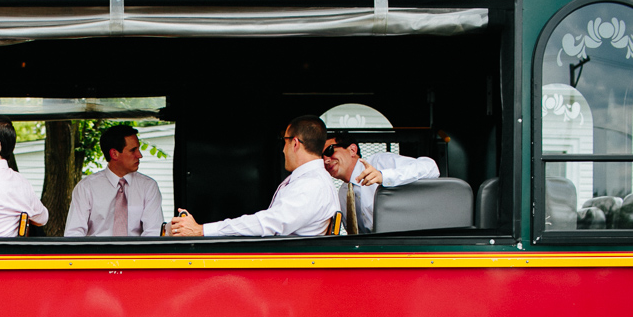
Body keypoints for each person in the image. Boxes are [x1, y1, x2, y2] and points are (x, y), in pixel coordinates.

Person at [169, 115, 340, 237]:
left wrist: (203, 230)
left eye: (284, 142)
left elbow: (269, 223)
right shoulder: (312, 180)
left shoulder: (310, 185)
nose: (282, 150)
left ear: (294, 143)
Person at [322, 132, 440, 234]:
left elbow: (430, 167)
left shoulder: (380, 163)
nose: (326, 160)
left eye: (330, 151)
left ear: (352, 150)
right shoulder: (343, 194)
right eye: (321, 157)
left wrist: (384, 176)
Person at [64, 124, 163, 237]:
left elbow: (153, 233)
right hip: (96, 254)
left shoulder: (148, 187)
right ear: (114, 154)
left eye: (138, 149)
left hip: (136, 254)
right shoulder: (86, 188)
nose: (139, 155)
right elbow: (74, 234)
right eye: (133, 150)